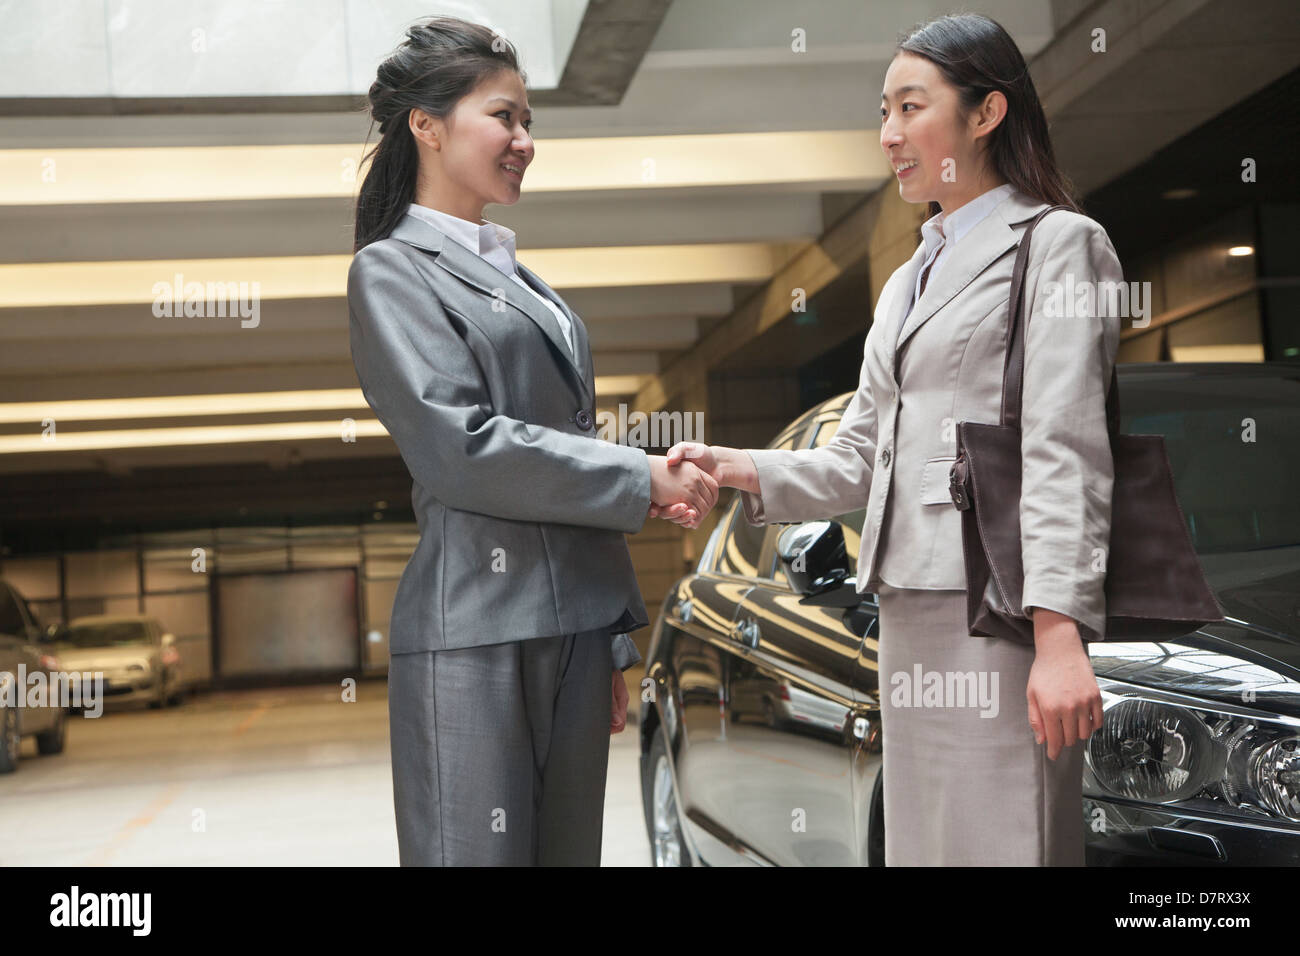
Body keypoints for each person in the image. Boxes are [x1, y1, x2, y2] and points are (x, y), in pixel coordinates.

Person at [654, 13, 1124, 866]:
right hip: (909, 612)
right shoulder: (908, 280)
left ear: (987, 113)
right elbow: (860, 459)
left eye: (911, 108)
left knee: (1007, 842)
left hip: (1002, 614)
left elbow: (1065, 446)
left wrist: (1060, 638)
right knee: (926, 849)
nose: (889, 135)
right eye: (883, 113)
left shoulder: (1058, 247)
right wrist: (737, 467)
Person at [348, 17, 717, 865]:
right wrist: (641, 477)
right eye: (503, 117)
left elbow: (559, 444)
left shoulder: (518, 277)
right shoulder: (390, 270)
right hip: (474, 633)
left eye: (528, 124)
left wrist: (610, 638)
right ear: (427, 125)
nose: (523, 141)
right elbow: (463, 448)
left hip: (573, 638)